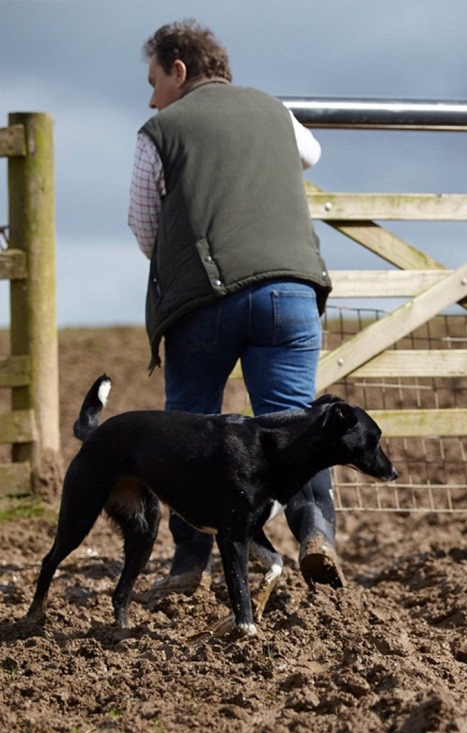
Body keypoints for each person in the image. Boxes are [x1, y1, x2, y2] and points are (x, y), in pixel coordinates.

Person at [127, 19, 343, 595]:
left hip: (207, 300)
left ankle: (189, 564)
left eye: (154, 80)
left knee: (190, 430)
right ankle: (317, 531)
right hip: (292, 293)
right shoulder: (275, 110)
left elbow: (143, 227)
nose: (151, 96)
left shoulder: (159, 130)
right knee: (296, 425)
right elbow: (311, 154)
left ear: (179, 70)